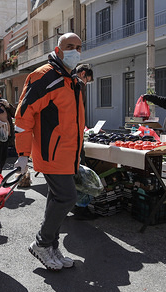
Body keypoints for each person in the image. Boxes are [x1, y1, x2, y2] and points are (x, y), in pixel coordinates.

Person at [14, 32, 85, 271]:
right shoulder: (44, 76)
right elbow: (23, 116)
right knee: (67, 197)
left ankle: (52, 247)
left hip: (67, 154)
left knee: (56, 198)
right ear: (58, 49)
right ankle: (41, 243)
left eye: (78, 46)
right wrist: (23, 154)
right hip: (50, 152)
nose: (75, 50)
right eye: (69, 46)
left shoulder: (72, 79)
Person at [72, 64, 96, 220]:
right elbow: (78, 110)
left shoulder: (68, 83)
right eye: (88, 79)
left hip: (70, 133)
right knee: (79, 169)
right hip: (75, 134)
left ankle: (73, 205)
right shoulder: (78, 85)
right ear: (82, 74)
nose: (88, 83)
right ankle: (80, 208)